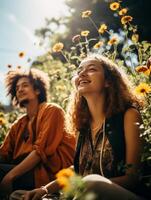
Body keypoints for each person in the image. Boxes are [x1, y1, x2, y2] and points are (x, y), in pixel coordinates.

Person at [11, 55, 149, 200]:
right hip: (84, 193)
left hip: (121, 195)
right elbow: (76, 171)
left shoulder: (129, 115)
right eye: (79, 70)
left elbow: (132, 178)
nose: (82, 74)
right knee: (18, 195)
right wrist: (44, 190)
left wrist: (81, 188)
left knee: (92, 183)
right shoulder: (82, 126)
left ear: (108, 81)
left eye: (92, 69)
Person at [0, 68, 75, 198]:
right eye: (17, 88)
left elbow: (40, 152)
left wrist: (9, 177)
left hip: (49, 178)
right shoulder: (18, 125)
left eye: (25, 85)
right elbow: (4, 153)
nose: (20, 90)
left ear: (37, 90)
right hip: (24, 172)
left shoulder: (52, 111)